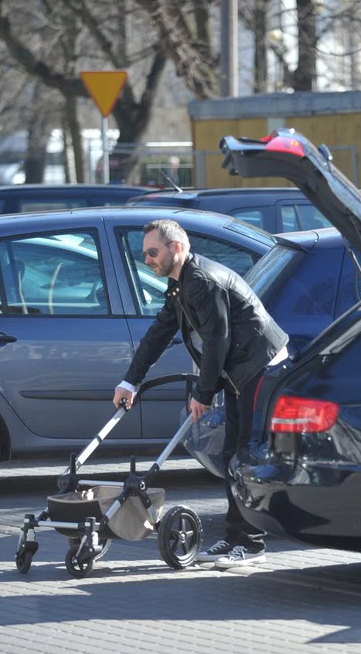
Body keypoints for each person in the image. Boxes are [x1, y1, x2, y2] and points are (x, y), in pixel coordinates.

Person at [113, 219, 288, 569]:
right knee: (231, 452)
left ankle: (251, 544)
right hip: (241, 369)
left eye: (152, 252)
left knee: (243, 453)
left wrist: (203, 393)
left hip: (259, 368)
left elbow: (217, 341)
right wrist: (130, 381)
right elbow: (159, 334)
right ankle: (235, 536)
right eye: (144, 253)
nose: (147, 259)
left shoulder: (202, 282)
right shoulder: (181, 284)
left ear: (176, 248)